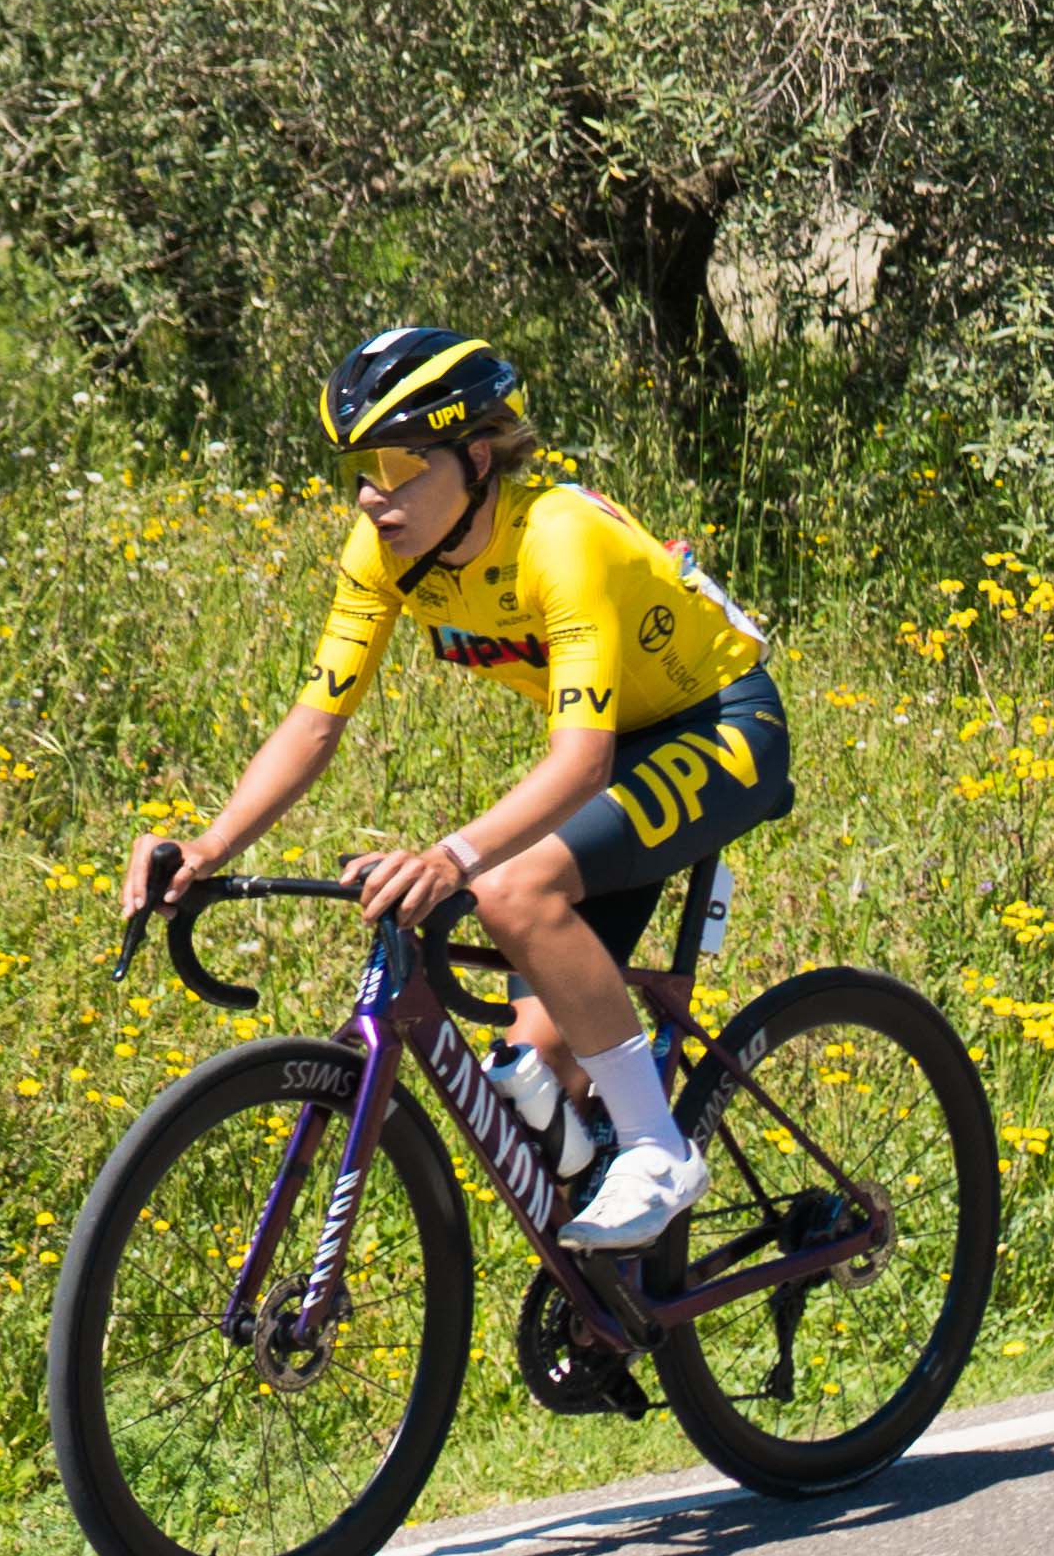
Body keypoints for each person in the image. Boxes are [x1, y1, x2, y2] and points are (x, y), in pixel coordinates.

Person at [123, 324, 793, 1248]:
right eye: (358, 468)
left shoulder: (561, 537)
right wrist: (209, 846)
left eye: (398, 465)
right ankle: (626, 1285)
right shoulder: (387, 555)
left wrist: (452, 855)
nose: (371, 496)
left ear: (476, 456)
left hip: (719, 725)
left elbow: (580, 765)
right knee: (526, 1078)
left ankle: (659, 1150)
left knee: (511, 889)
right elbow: (317, 719)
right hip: (617, 745)